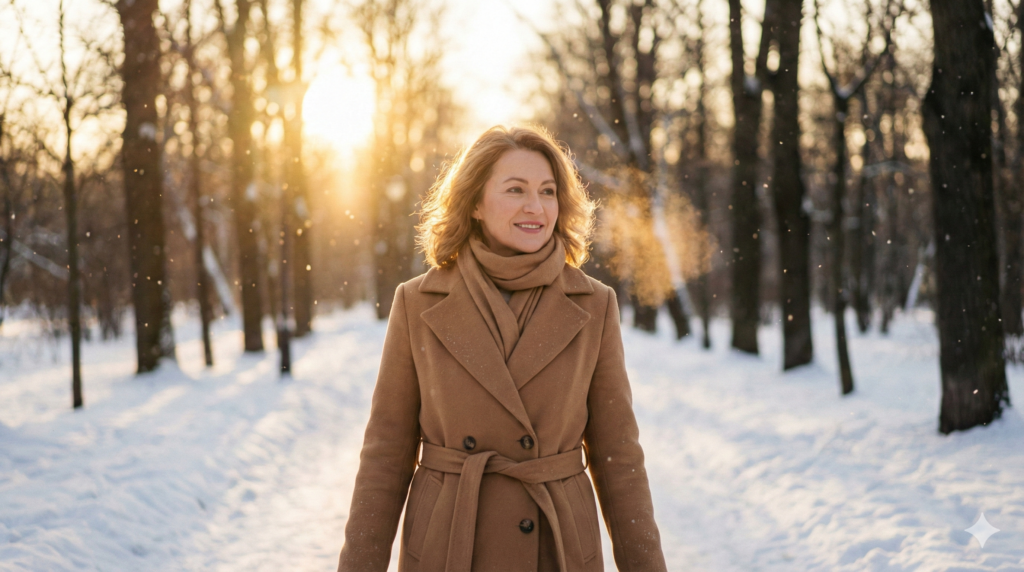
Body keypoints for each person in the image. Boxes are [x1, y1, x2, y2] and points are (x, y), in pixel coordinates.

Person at [337, 125, 666, 572]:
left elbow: (619, 459)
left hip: (557, 545)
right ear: (474, 203)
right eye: (516, 190)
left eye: (547, 191)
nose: (536, 207)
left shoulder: (594, 304)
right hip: (448, 543)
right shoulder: (418, 302)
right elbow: (385, 455)